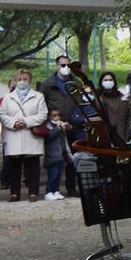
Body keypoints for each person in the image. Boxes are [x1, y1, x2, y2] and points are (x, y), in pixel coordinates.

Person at [0, 68, 48, 202]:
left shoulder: (38, 96)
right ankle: (14, 193)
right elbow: (2, 114)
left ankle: (33, 192)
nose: (22, 82)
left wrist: (26, 122)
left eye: (25, 79)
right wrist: (13, 123)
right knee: (14, 165)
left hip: (31, 134)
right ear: (15, 81)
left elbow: (42, 114)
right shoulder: (7, 97)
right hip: (13, 134)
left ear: (30, 80)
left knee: (32, 165)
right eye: (19, 79)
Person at [39, 57, 78, 201]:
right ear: (57, 66)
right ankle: (51, 189)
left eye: (68, 65)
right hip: (54, 127)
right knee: (55, 158)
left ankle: (71, 187)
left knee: (72, 157)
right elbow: (41, 104)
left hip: (72, 127)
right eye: (63, 65)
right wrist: (50, 123)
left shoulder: (75, 83)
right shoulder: (48, 84)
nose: (66, 67)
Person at [95, 71, 131, 145]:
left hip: (118, 130)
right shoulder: (98, 97)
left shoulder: (121, 97)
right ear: (101, 82)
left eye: (110, 80)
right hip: (103, 130)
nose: (108, 82)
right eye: (106, 80)